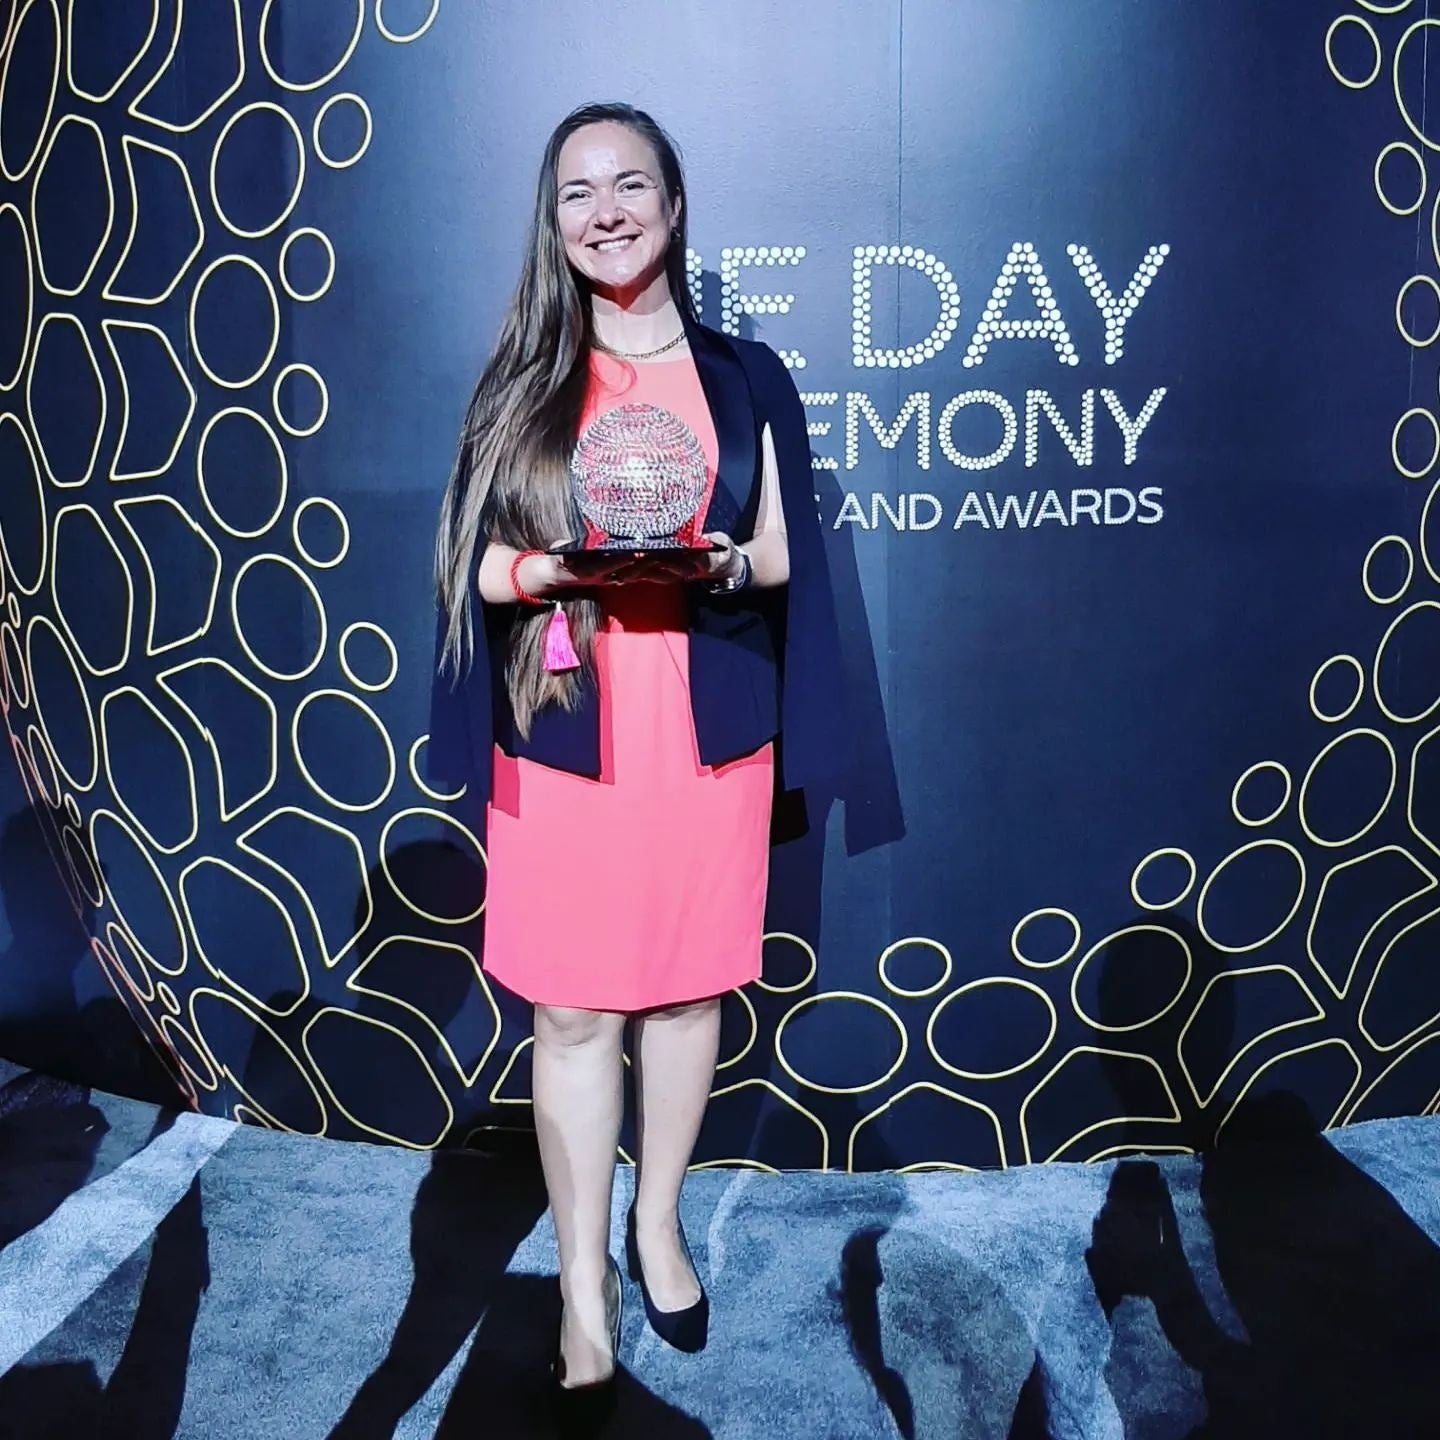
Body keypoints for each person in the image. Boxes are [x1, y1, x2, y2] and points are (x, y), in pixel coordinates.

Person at [427, 100, 847, 1419]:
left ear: (673, 203)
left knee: (680, 996)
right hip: (564, 729)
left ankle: (656, 1220)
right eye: (577, 192)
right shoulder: (521, 381)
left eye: (629, 185)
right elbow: (473, 570)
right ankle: (582, 1286)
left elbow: (780, 553)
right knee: (568, 1013)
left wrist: (715, 562)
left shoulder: (746, 376)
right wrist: (550, 570)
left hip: (704, 729)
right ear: (551, 223)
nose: (604, 210)